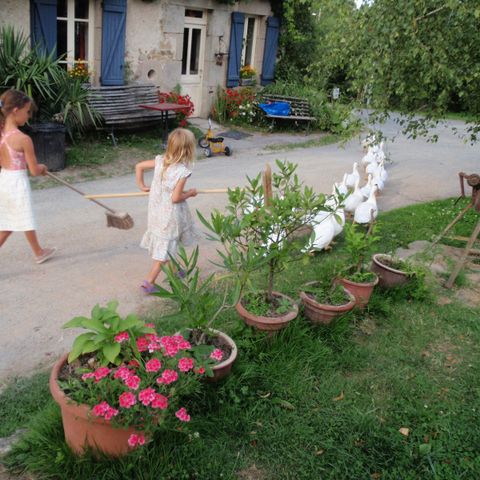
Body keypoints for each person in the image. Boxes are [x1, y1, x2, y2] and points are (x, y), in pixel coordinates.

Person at [136, 128, 199, 293]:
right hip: (170, 218)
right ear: (188, 150)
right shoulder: (182, 172)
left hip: (156, 215)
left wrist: (142, 185)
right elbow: (176, 198)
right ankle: (149, 282)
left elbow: (139, 166)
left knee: (167, 244)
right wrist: (190, 193)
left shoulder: (160, 161)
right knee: (163, 252)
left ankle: (175, 270)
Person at [0, 89, 56, 264]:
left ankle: (39, 251)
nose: (29, 116)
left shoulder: (2, 133)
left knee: (13, 221)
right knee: (17, 221)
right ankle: (39, 252)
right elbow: (33, 170)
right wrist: (43, 167)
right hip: (17, 183)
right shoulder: (23, 139)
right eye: (27, 111)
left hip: (4, 179)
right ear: (16, 110)